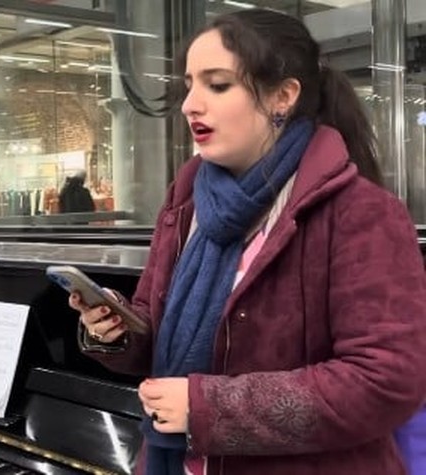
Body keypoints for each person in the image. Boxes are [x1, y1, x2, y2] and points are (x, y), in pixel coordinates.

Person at [69, 9, 426, 475]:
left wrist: (207, 408)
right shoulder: (187, 201)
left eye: (217, 85)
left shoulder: (360, 213)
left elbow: (386, 382)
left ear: (283, 96)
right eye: (189, 84)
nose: (190, 105)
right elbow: (161, 337)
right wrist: (115, 329)